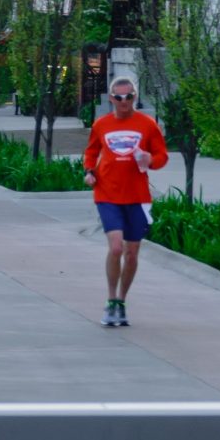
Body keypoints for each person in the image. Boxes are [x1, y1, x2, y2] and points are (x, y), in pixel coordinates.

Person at [82, 75, 168, 328]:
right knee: (116, 247)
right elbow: (91, 151)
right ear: (111, 98)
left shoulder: (147, 124)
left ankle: (121, 301)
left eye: (129, 97)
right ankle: (110, 299)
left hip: (137, 197)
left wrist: (148, 160)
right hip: (107, 193)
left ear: (135, 97)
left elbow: (161, 155)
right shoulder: (101, 124)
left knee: (131, 253)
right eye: (119, 97)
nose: (124, 102)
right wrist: (89, 171)